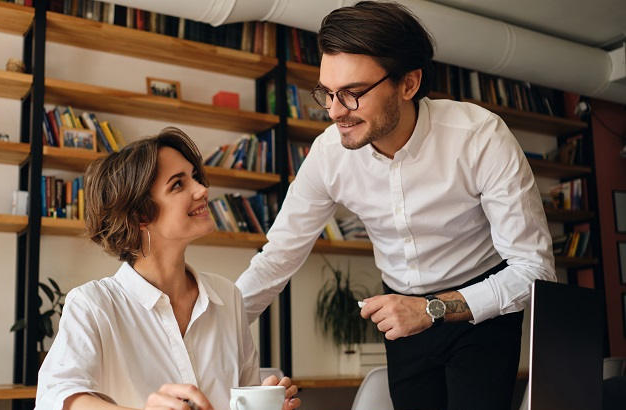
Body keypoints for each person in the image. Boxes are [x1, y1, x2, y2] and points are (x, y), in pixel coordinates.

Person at [235, 2, 555, 410]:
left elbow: (534, 270)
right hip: (400, 314)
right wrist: (211, 329)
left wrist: (432, 309)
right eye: (328, 93)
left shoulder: (479, 136)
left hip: (482, 306)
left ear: (408, 84)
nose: (335, 112)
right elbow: (277, 258)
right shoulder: (328, 155)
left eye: (352, 94)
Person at [36, 127, 301, 410]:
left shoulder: (228, 297)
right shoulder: (93, 304)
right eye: (178, 184)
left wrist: (266, 401)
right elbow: (56, 398)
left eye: (195, 178)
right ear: (140, 215)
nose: (202, 190)